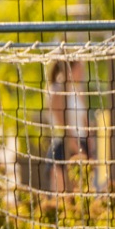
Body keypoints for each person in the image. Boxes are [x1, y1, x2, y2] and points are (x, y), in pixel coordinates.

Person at [45, 58, 91, 194]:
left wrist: (90, 149)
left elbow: (86, 122)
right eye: (79, 69)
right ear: (70, 70)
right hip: (63, 146)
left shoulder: (79, 90)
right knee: (61, 196)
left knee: (80, 195)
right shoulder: (56, 90)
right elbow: (61, 124)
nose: (82, 73)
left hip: (81, 145)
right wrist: (75, 148)